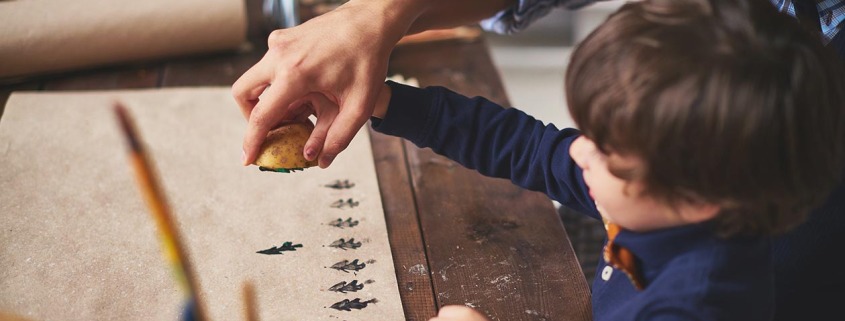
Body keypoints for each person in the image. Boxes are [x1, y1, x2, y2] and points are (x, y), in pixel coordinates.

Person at [232, 0, 845, 319]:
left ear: (698, 195)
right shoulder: (664, 201)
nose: (578, 150)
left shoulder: (697, 304)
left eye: (606, 150)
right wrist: (385, 103)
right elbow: (519, 144)